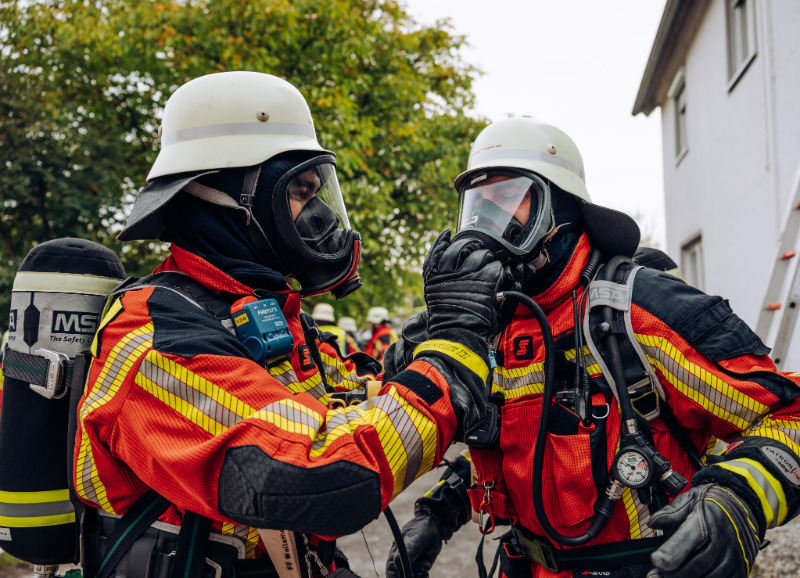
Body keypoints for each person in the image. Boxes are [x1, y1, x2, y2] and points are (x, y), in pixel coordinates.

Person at [74, 71, 514, 578]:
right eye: (302, 191)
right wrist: (453, 350)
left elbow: (351, 405)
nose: (323, 213)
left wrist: (425, 341)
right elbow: (324, 477)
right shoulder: (155, 336)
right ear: (227, 194)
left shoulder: (268, 319)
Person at [385, 117, 800, 578]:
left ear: (558, 208)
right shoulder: (492, 329)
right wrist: (438, 513)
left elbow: (790, 414)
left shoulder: (638, 309)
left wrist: (738, 497)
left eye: (507, 202)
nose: (487, 227)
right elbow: (520, 445)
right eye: (477, 207)